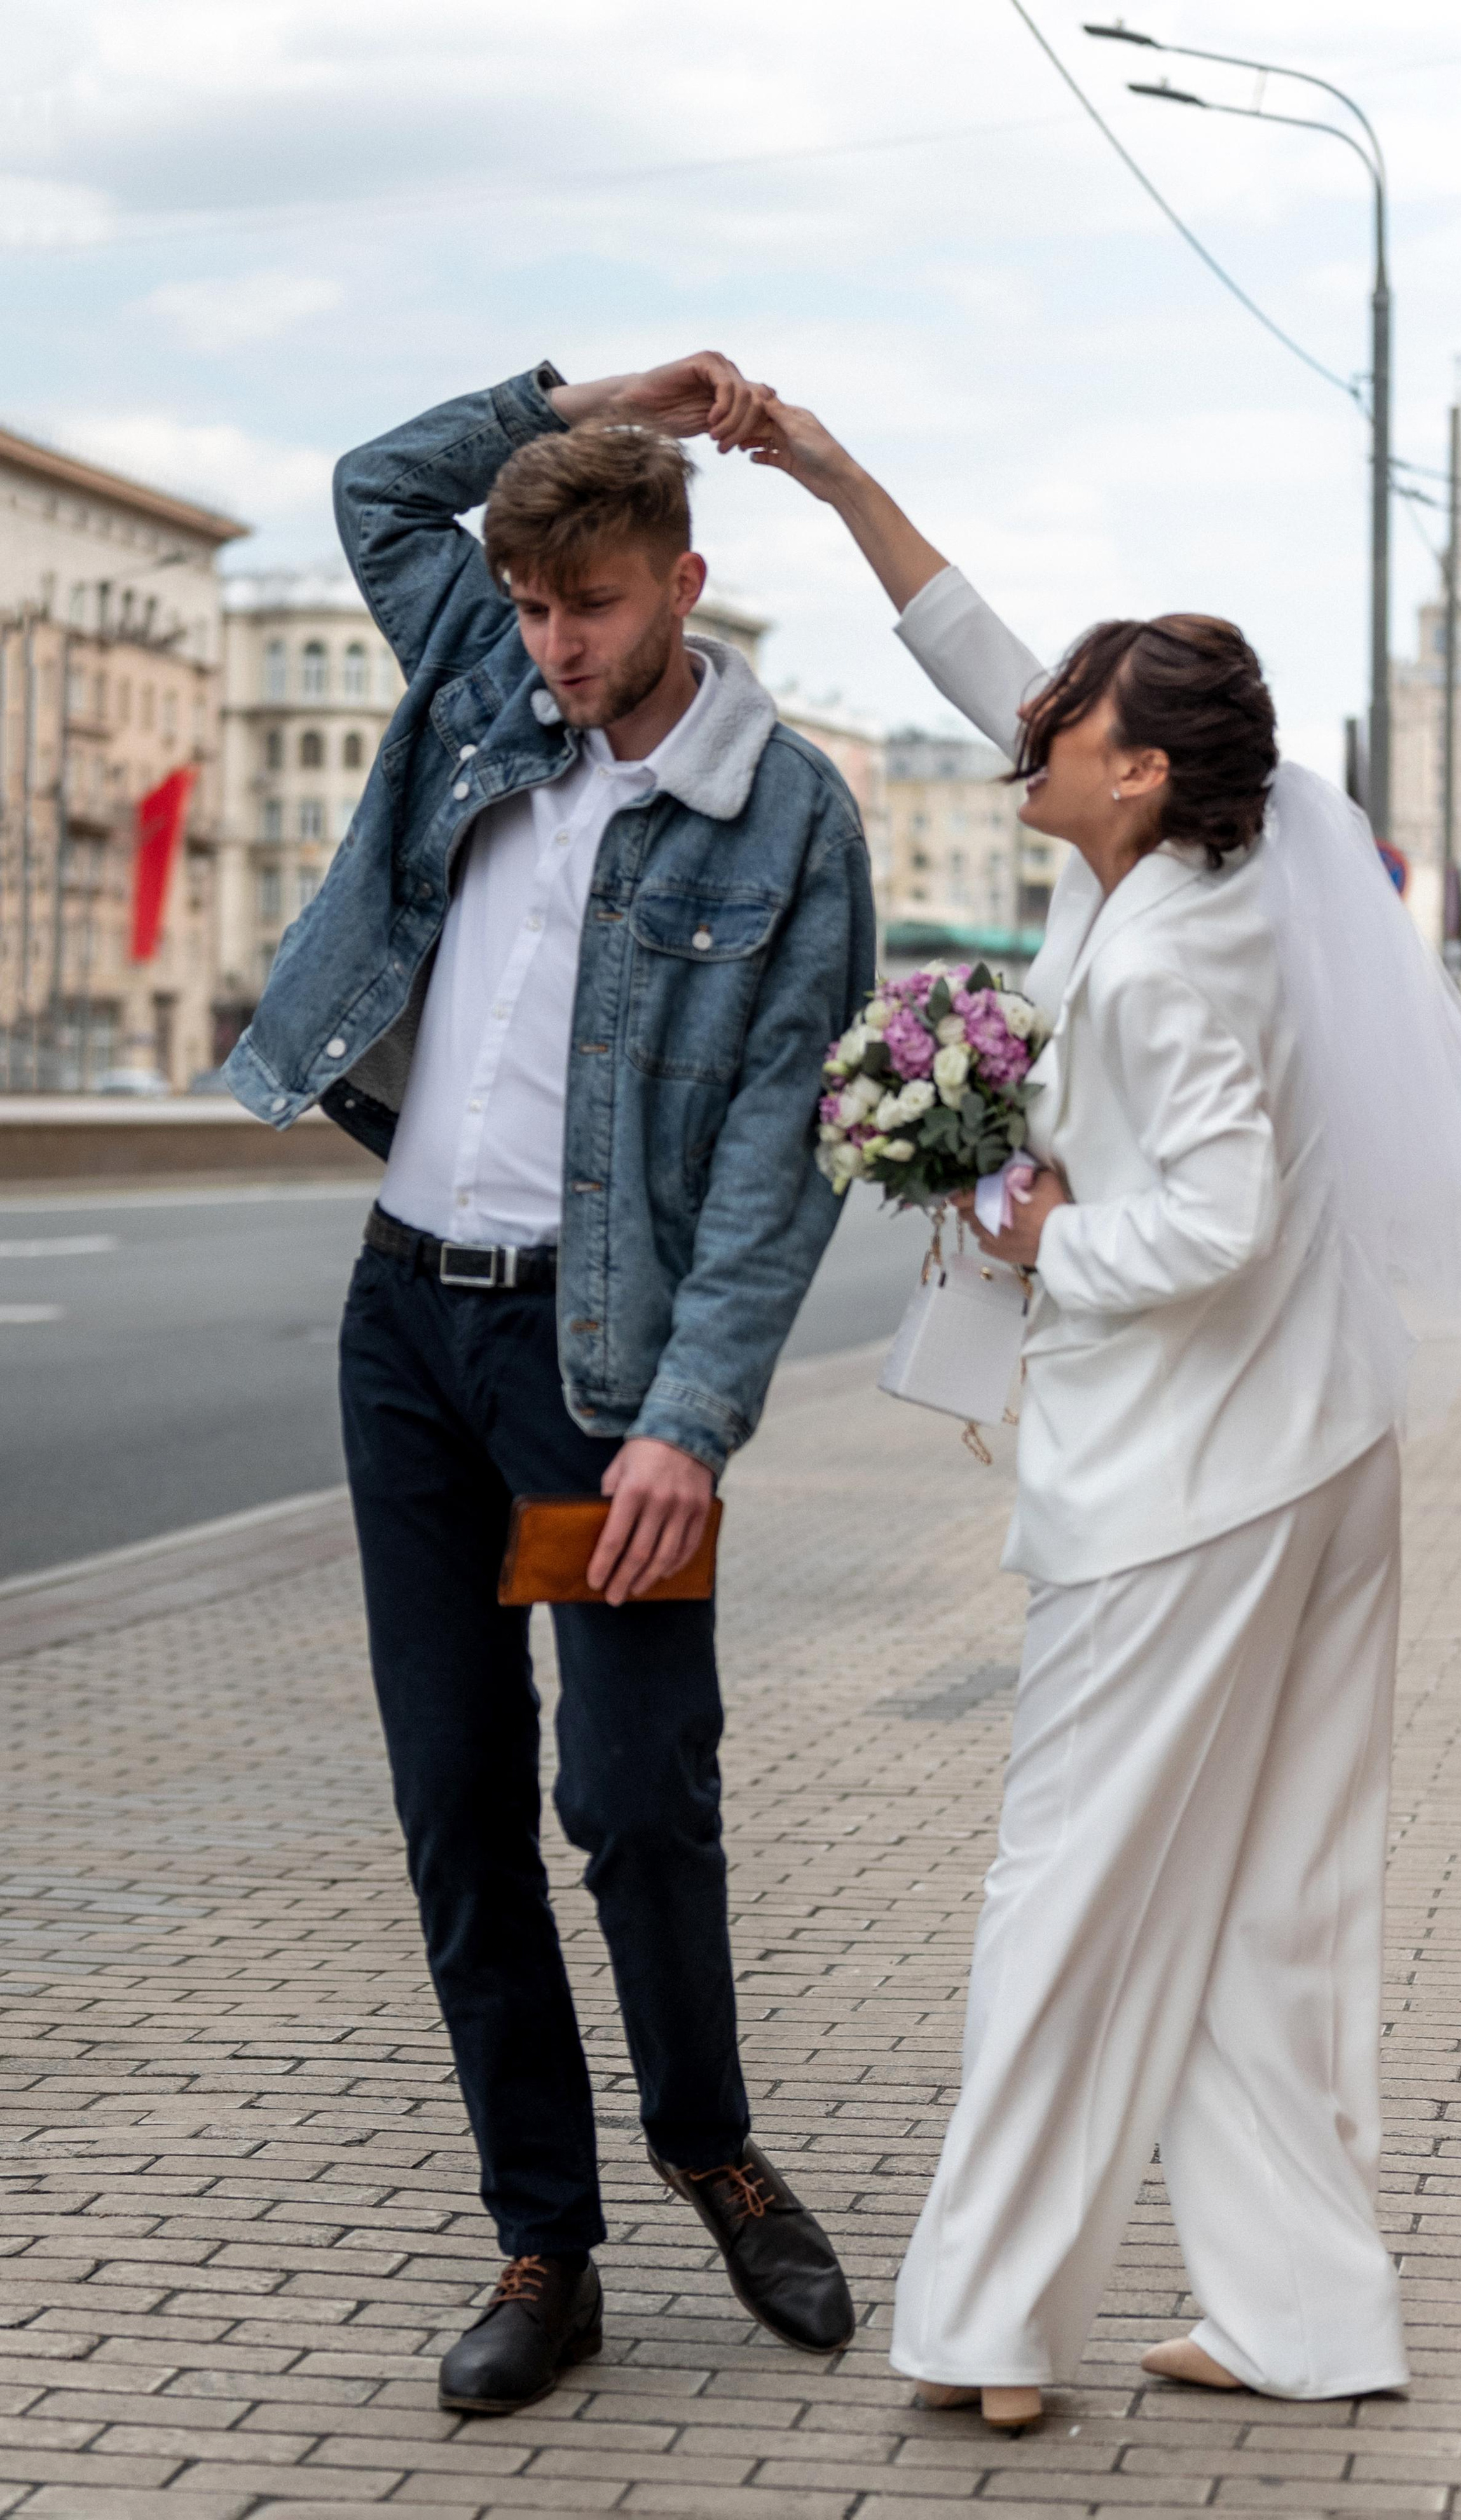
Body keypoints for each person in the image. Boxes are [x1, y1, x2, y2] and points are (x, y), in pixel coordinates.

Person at [744, 396, 1461, 2430]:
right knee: (1262, 1888)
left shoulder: (1179, 952)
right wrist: (833, 478)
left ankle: (994, 2325)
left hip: (1194, 1489)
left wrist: (1027, 1230)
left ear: (1139, 761)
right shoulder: (1210, 850)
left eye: (1067, 714)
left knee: (1071, 1879)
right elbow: (972, 641)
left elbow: (1209, 1217)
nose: (1032, 729)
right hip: (1312, 1450)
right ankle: (1299, 2316)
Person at [225, 352, 874, 2412]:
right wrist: (592, 394)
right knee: (459, 1807)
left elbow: (779, 1157)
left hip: (602, 1377)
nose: (550, 646)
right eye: (523, 608)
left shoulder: (786, 823)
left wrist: (693, 1413)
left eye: (585, 605)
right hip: (408, 1330)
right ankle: (546, 2240)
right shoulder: (489, 685)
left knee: (630, 1792)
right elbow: (367, 484)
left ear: (682, 581)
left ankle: (711, 2142)